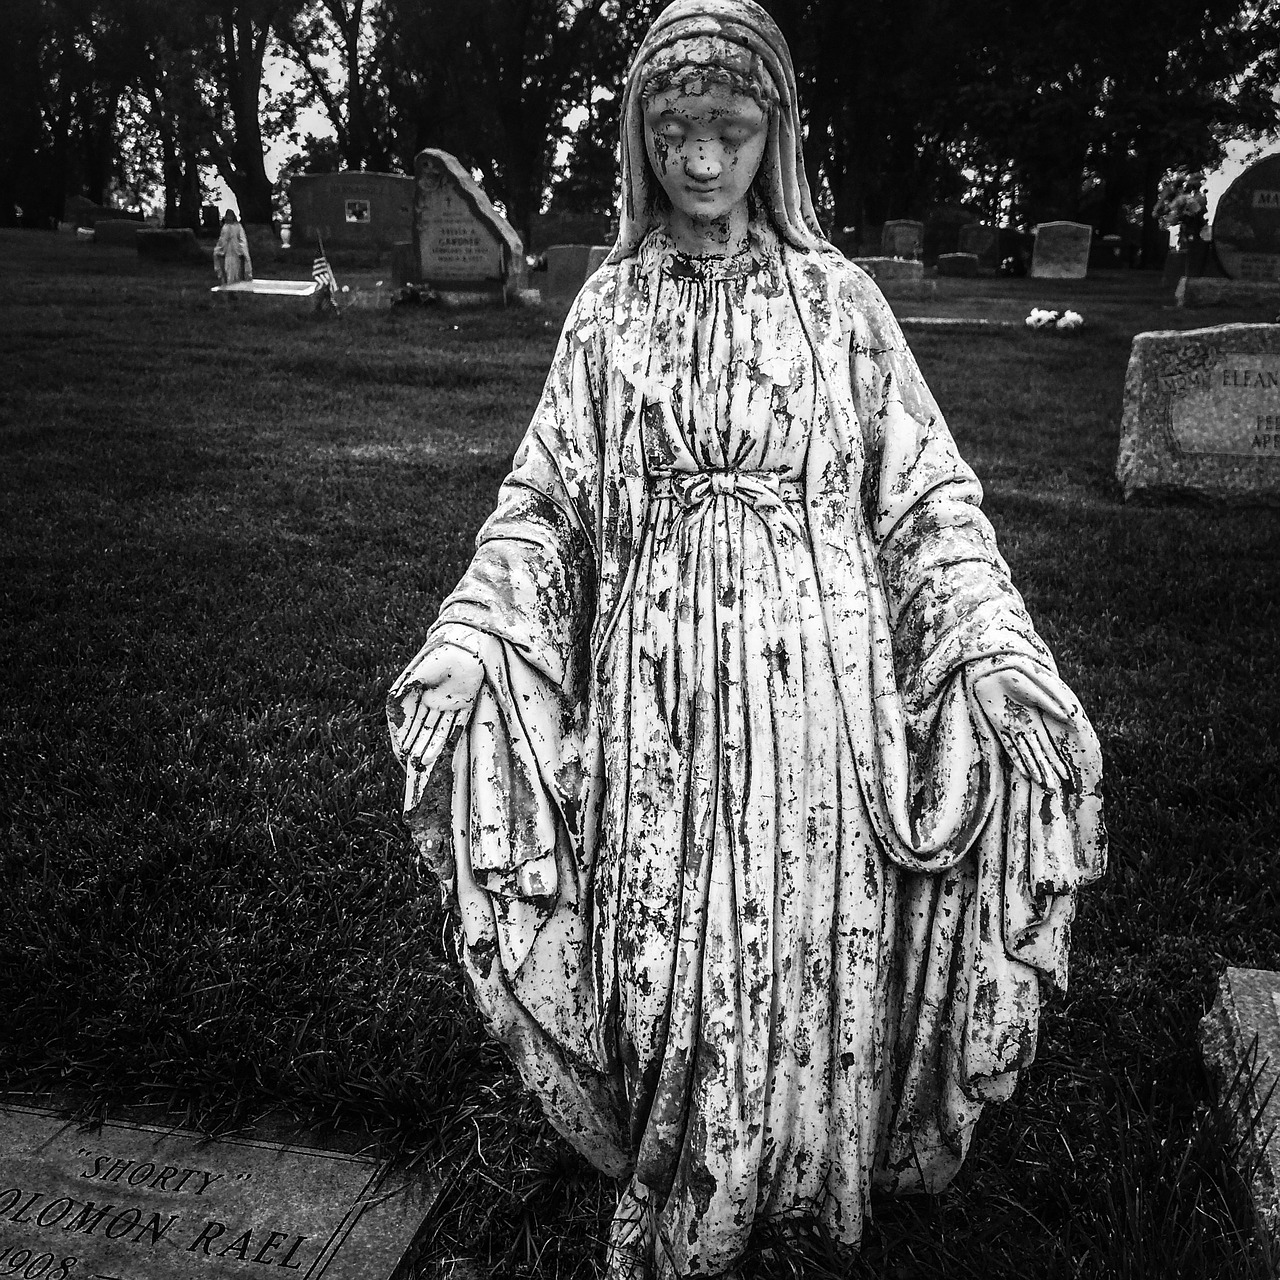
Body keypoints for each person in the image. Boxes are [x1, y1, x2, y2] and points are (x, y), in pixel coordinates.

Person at [387, 3, 1105, 1276]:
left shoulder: (839, 303)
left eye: (727, 128)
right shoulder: (606, 312)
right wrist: (476, 630)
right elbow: (545, 509)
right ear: (636, 139)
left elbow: (924, 504)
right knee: (661, 952)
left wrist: (987, 643)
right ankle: (679, 1161)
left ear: (775, 131)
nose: (701, 161)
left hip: (813, 696)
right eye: (671, 133)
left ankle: (788, 1191)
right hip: (655, 686)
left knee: (798, 953)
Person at [213, 209, 252, 284]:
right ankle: (228, 284)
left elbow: (242, 238)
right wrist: (220, 248)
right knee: (227, 269)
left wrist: (241, 249)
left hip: (236, 251)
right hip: (227, 251)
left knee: (236, 270)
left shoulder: (238, 226)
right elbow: (222, 239)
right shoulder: (225, 227)